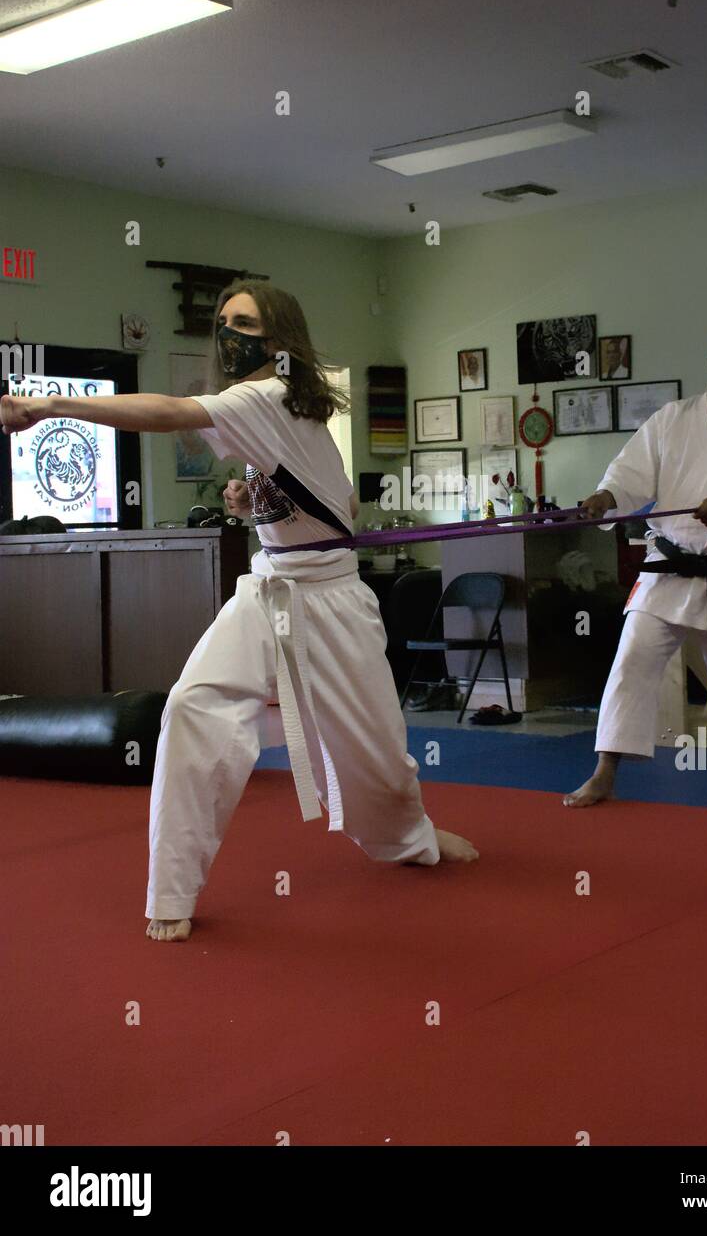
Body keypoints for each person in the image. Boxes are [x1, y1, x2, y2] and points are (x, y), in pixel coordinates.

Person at [0, 282, 478, 942]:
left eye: (245, 322)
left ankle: (411, 837)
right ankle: (171, 890)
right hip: (269, 589)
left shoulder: (268, 395)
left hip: (333, 603)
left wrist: (53, 402)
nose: (229, 332)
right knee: (191, 706)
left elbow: (167, 409)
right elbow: (333, 503)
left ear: (279, 341)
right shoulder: (277, 407)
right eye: (223, 321)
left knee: (374, 757)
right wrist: (258, 503)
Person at [564, 314, 707, 811]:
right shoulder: (672, 417)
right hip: (669, 567)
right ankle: (606, 770)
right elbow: (632, 470)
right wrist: (607, 496)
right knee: (630, 663)